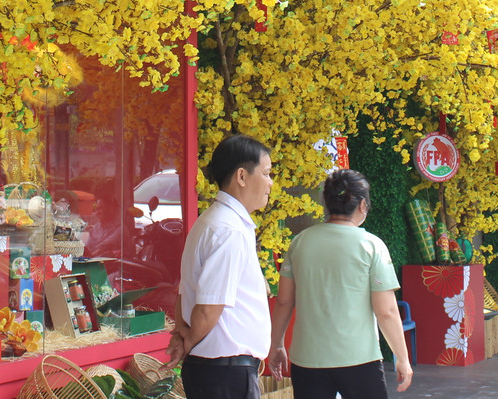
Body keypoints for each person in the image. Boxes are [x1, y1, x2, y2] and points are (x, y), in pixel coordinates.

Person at [267, 170, 413, 398]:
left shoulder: (300, 242)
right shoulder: (372, 245)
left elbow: (284, 301)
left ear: (326, 203)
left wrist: (276, 345)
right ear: (363, 205)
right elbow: (386, 311)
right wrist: (402, 358)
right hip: (359, 359)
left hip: (307, 359)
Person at [168, 135, 274, 399]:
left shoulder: (214, 221)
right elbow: (208, 306)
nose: (270, 183)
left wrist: (184, 335)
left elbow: (184, 292)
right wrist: (189, 341)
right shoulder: (228, 230)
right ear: (242, 176)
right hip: (225, 372)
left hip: (217, 370)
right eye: (266, 173)